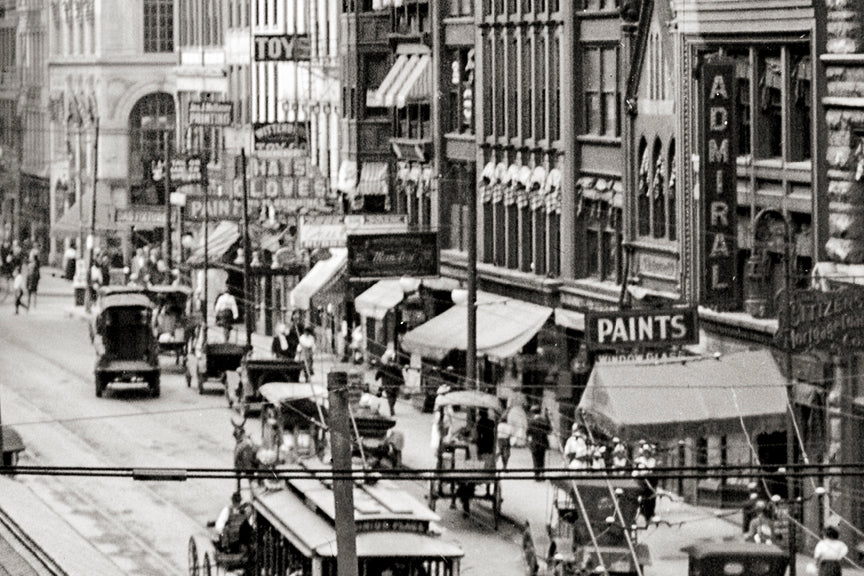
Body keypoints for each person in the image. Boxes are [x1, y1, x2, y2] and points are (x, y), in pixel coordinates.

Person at [375, 351, 404, 417]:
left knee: (392, 397)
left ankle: (391, 407)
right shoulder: (387, 367)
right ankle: (391, 408)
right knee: (392, 397)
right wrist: (402, 382)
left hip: (391, 384)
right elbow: (379, 373)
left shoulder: (394, 367)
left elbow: (378, 374)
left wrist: (376, 378)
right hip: (391, 385)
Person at [526, 405, 551, 480]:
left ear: (533, 412)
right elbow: (549, 430)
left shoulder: (531, 421)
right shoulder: (544, 420)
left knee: (535, 458)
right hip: (543, 442)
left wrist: (528, 440)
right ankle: (542, 474)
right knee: (542, 458)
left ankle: (537, 475)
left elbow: (528, 432)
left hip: (534, 442)